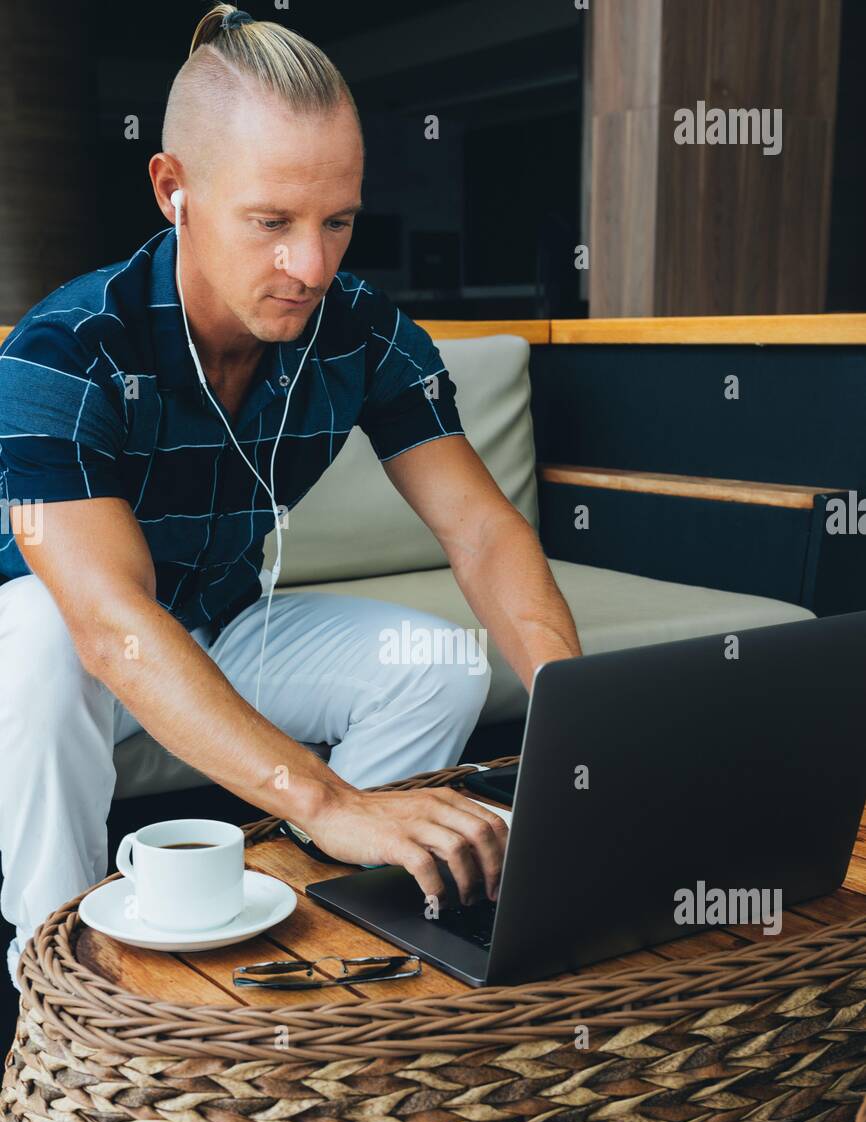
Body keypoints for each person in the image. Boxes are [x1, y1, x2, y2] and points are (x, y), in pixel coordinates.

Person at [0, 5, 581, 988]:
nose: (311, 267)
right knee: (47, 639)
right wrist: (321, 796)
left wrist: (583, 725)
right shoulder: (68, 350)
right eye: (270, 222)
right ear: (173, 189)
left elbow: (479, 529)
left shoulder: (359, 331)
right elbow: (110, 626)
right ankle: (57, 974)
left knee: (436, 663)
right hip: (61, 659)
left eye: (338, 221)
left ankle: (332, 922)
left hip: (225, 625)